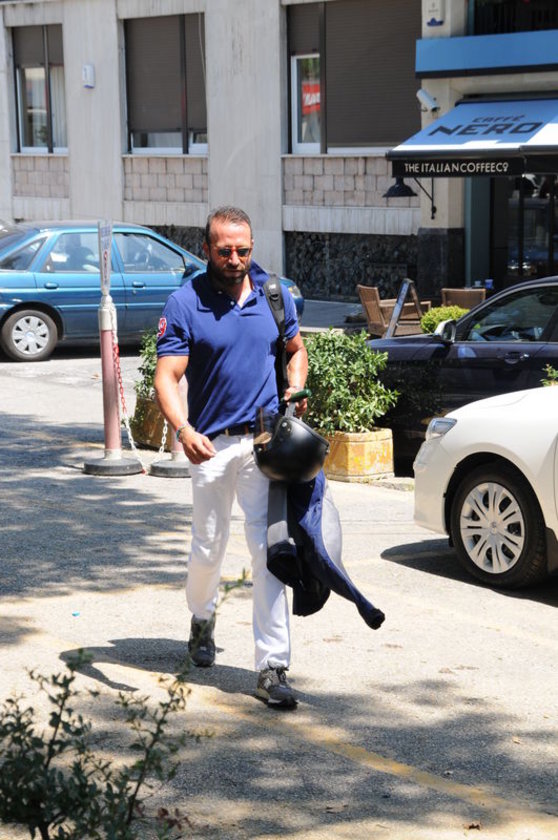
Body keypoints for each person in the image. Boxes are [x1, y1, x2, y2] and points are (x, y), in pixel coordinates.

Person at [153, 206, 308, 709]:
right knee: (208, 547)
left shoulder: (273, 294)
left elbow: (295, 349)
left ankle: (272, 666)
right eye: (224, 251)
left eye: (242, 250)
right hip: (211, 446)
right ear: (207, 249)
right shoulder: (186, 302)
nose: (235, 259)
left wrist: (296, 385)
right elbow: (167, 376)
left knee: (270, 551)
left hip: (264, 444)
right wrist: (183, 429)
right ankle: (202, 619)